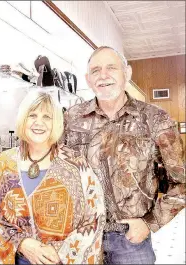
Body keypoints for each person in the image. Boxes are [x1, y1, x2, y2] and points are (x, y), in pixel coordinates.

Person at [64, 46, 185, 264]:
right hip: (81, 238)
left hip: (131, 240)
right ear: (88, 79)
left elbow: (181, 183)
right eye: (95, 70)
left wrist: (150, 223)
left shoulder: (155, 119)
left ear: (127, 73)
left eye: (111, 68)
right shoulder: (71, 119)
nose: (103, 75)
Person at [0, 90, 106, 264]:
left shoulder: (75, 164)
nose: (38, 123)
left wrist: (61, 251)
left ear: (55, 122)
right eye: (32, 115)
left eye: (47, 117)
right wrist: (22, 243)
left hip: (61, 260)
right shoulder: (4, 162)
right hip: (18, 259)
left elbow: (95, 215)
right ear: (23, 120)